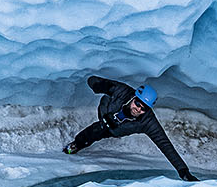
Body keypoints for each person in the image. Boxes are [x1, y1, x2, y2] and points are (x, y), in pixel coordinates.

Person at [63, 76, 197, 181]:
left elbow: (164, 144)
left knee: (100, 132)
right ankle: (77, 144)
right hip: (106, 110)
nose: (138, 109)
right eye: (137, 103)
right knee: (95, 130)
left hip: (115, 129)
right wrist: (99, 85)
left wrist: (183, 171)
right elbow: (92, 80)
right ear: (134, 97)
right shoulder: (122, 91)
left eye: (143, 108)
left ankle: (89, 137)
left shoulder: (147, 121)